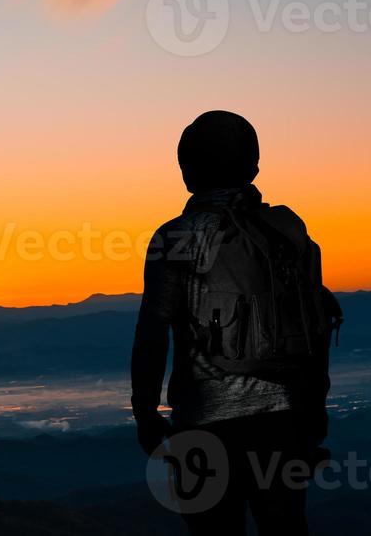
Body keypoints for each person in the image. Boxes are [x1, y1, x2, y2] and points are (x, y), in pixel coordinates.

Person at [132, 111, 338, 535]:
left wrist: (146, 413)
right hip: (285, 424)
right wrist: (314, 413)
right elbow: (315, 328)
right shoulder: (288, 231)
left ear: (188, 170)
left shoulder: (176, 236)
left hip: (203, 427)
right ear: (253, 166)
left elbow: (152, 333)